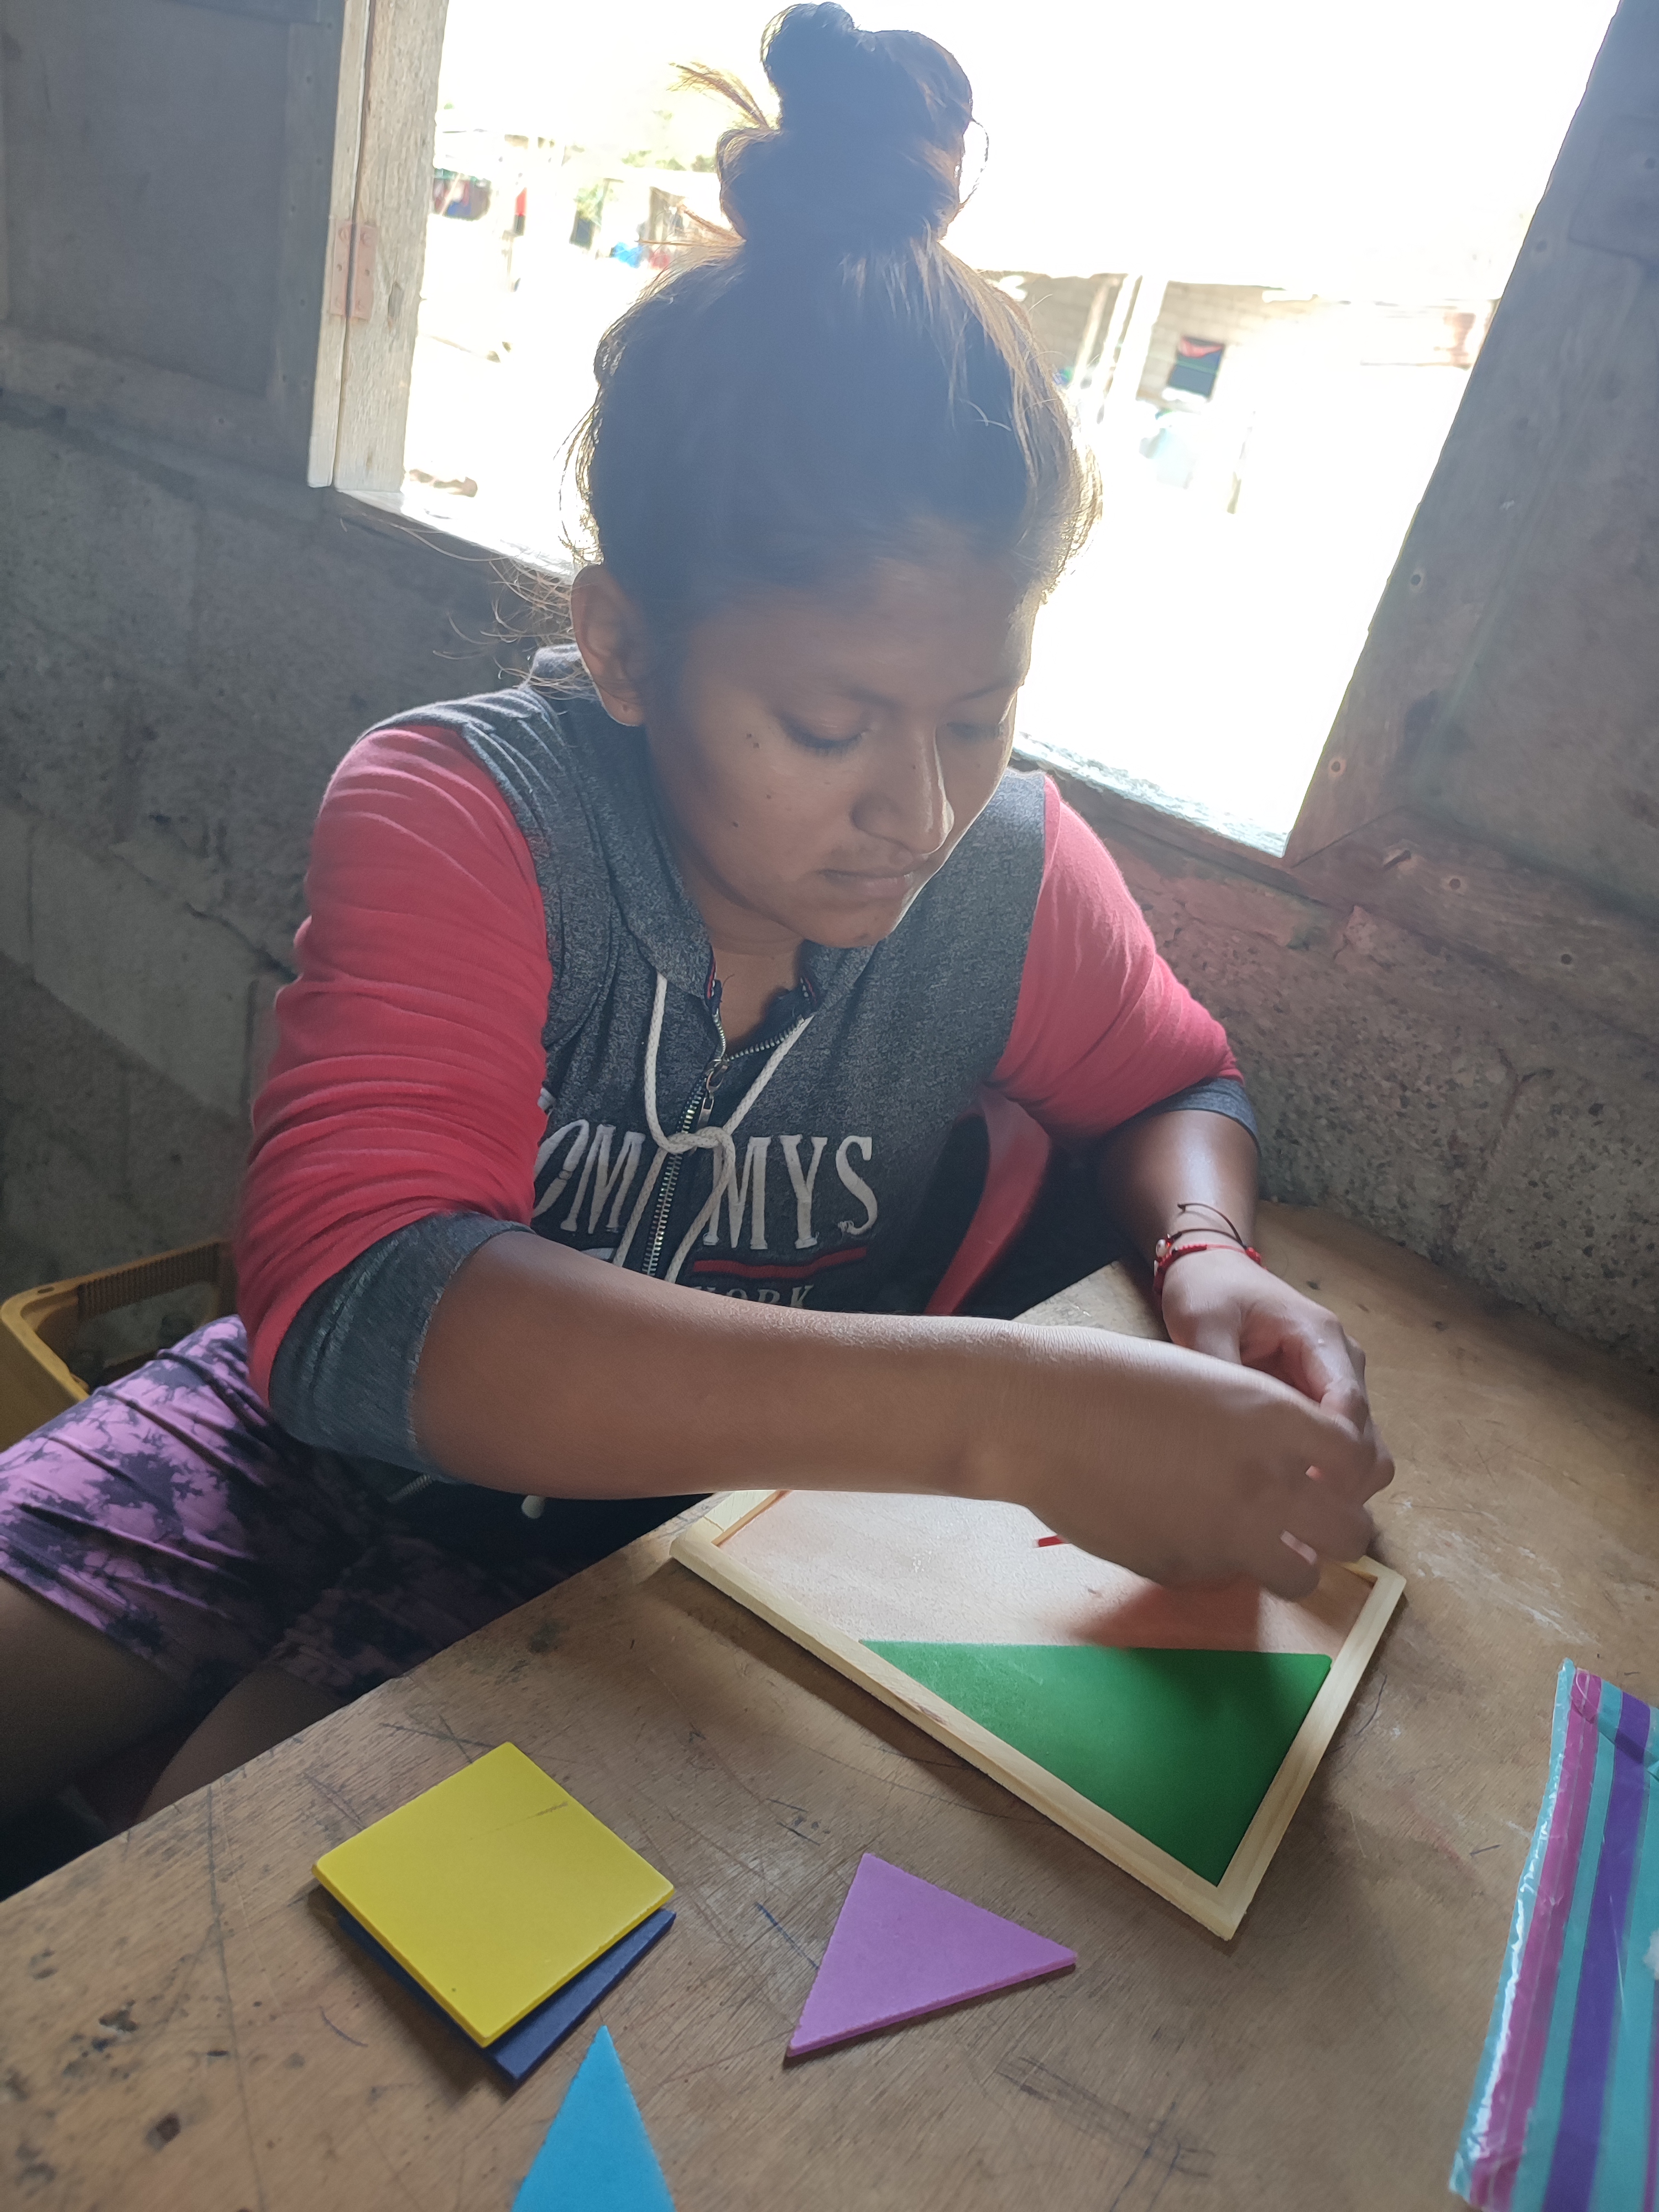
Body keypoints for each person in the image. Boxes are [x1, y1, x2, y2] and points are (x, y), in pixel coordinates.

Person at [0, 4, 1390, 1829]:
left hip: (647, 1535)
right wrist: (1008, 1415)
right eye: (826, 725)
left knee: (221, 1878)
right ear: (627, 647)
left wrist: (1204, 1253)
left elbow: (1172, 1083)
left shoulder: (1011, 879)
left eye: (979, 719)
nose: (920, 811)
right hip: (301, 1441)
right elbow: (360, 1309)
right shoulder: (469, 813)